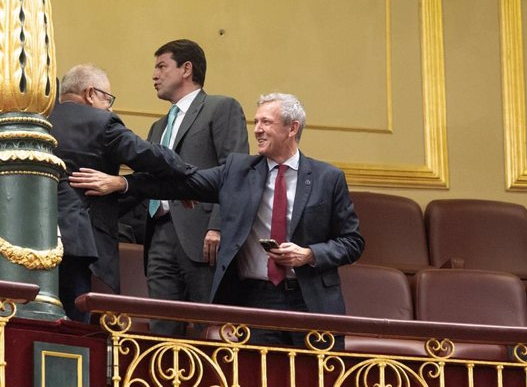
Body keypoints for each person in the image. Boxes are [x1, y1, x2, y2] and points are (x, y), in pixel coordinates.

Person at [70, 93, 364, 347]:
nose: (257, 130)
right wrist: (124, 184)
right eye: (256, 122)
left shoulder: (328, 178)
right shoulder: (238, 170)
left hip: (310, 301)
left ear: (292, 128)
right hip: (254, 300)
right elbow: (183, 182)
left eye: (266, 123)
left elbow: (352, 242)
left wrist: (310, 254)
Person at [49, 64, 191, 322]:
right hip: (77, 240)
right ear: (90, 93)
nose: (110, 107)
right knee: (74, 323)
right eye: (107, 98)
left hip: (29, 237)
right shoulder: (101, 123)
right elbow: (152, 157)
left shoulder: (40, 119)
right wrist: (188, 172)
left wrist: (119, 183)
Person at [144, 39, 249, 336]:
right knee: (160, 328)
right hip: (160, 233)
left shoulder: (221, 108)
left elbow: (234, 171)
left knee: (209, 327)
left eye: (162, 66)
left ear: (186, 69)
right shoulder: (157, 127)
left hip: (205, 234)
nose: (154, 75)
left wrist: (218, 225)